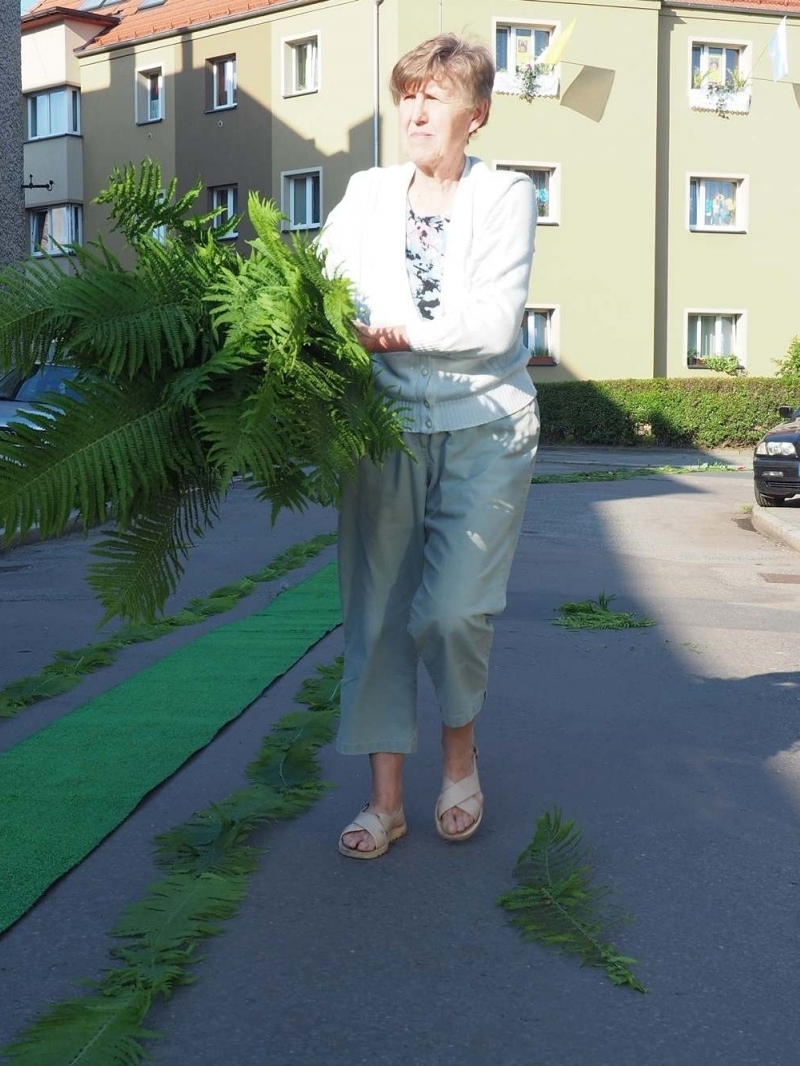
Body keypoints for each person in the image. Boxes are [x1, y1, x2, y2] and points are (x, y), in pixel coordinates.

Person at [317, 33, 540, 859]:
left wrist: (383, 336)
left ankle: (458, 760)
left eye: (435, 95)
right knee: (375, 616)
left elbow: (491, 325)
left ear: (474, 115)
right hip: (385, 430)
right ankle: (385, 801)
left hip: (487, 424)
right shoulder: (367, 194)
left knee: (452, 613)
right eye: (407, 92)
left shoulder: (506, 195)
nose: (415, 108)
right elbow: (321, 289)